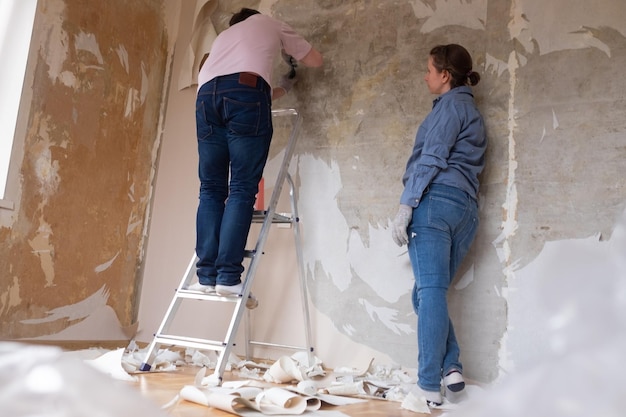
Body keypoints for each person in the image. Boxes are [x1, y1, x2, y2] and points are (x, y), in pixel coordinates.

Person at [189, 8, 323, 308]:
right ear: (256, 16)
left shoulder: (223, 39)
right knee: (241, 188)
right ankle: (227, 277)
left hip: (206, 98)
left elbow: (231, 87)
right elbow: (315, 59)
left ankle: (206, 275)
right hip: (245, 94)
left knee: (210, 189)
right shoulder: (269, 22)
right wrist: (289, 58)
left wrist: (281, 88)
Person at [391, 44, 486, 406]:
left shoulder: (451, 107)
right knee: (427, 292)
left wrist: (406, 205)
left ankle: (429, 386)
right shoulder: (471, 111)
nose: (426, 75)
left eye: (429, 70)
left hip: (435, 204)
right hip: (466, 211)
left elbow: (431, 158)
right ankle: (451, 367)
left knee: (429, 292)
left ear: (445, 75)